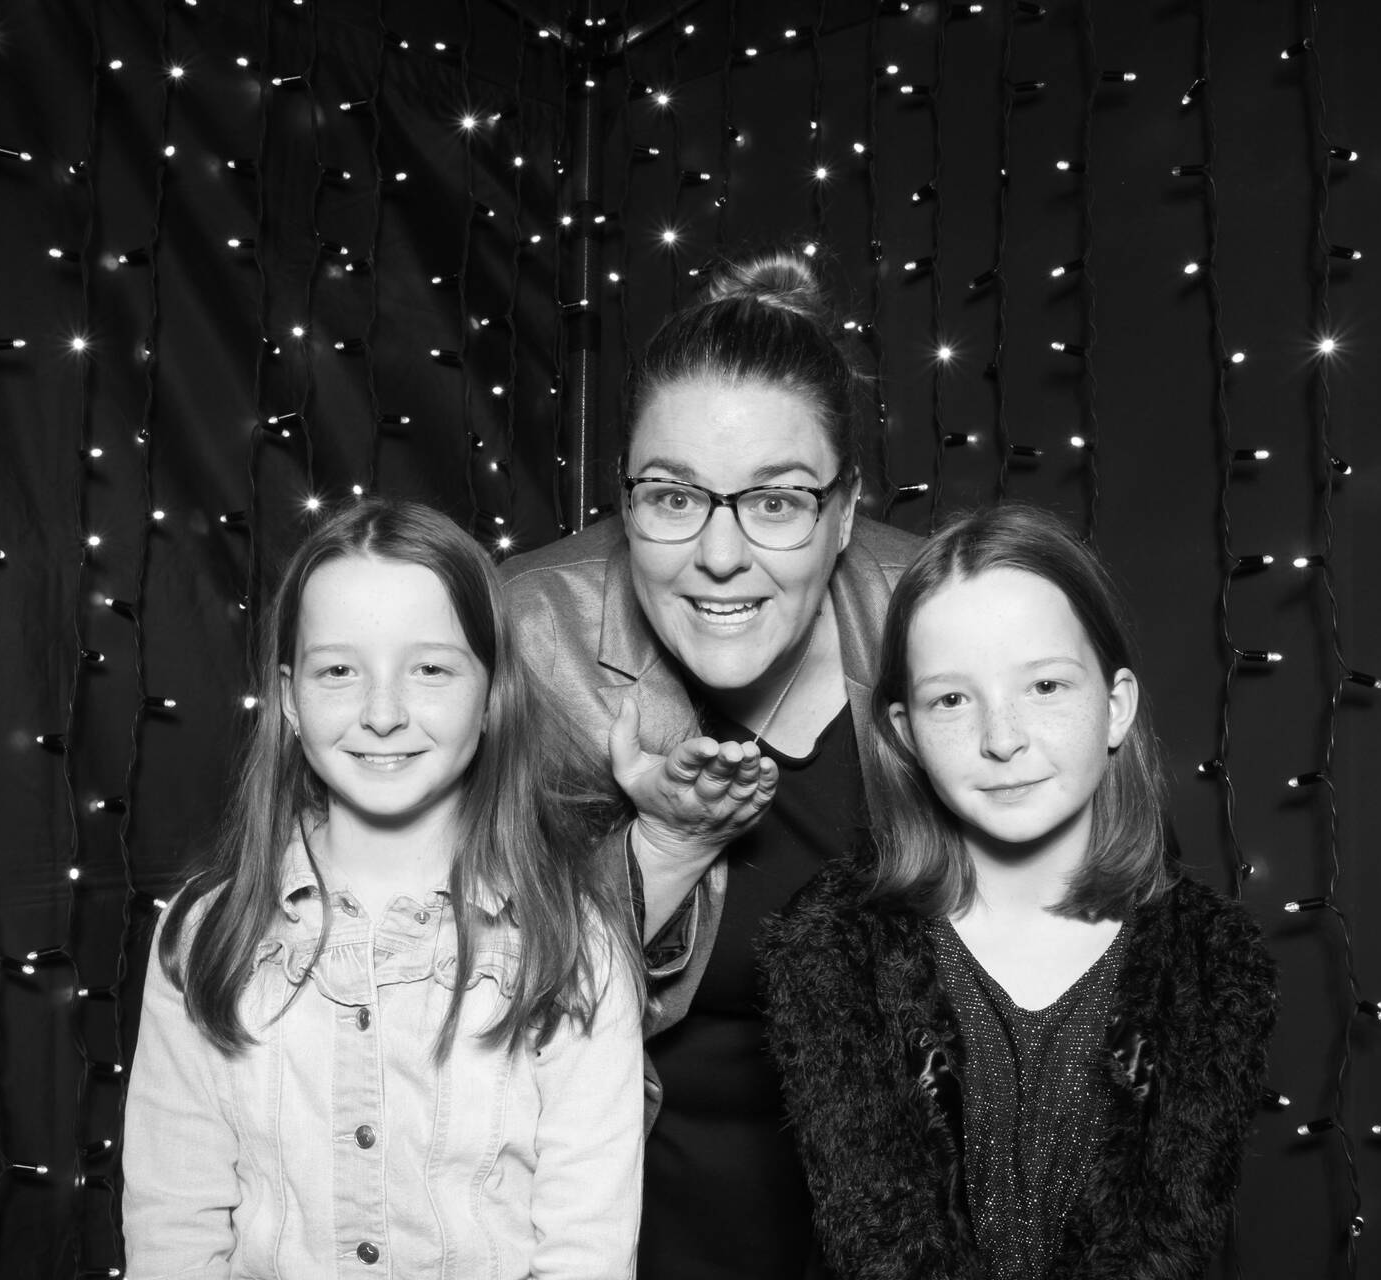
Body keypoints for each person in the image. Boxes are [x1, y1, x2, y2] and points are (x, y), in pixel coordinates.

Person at [502, 249, 922, 1277]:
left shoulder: (945, 618)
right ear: (625, 499)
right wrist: (662, 849)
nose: (720, 556)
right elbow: (448, 998)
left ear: (845, 510)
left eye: (776, 501)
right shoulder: (521, 638)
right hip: (600, 1237)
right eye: (674, 496)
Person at [123, 499, 644, 1278]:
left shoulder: (572, 945)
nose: (383, 714)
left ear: (492, 693)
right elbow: (174, 1227)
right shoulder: (207, 935)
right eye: (339, 671)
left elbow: (586, 1253)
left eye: (430, 669)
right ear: (290, 698)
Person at [760, 503, 1278, 1280]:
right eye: (951, 700)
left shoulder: (1209, 963)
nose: (1002, 739)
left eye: (1044, 685)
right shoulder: (835, 949)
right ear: (904, 731)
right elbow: (885, 1243)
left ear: (1116, 706)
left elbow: (1165, 1246)